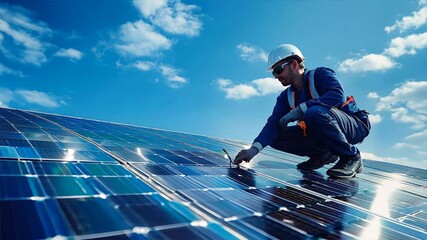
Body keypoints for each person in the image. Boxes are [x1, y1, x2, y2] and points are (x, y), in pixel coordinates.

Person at [233, 44, 371, 179]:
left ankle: (351, 157)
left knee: (314, 112)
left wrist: (301, 109)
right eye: (273, 73)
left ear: (294, 64)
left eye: (279, 70)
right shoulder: (285, 96)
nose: (276, 76)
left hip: (355, 125)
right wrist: (253, 149)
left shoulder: (320, 74)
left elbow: (337, 96)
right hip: (324, 128)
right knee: (276, 136)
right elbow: (273, 123)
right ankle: (322, 154)